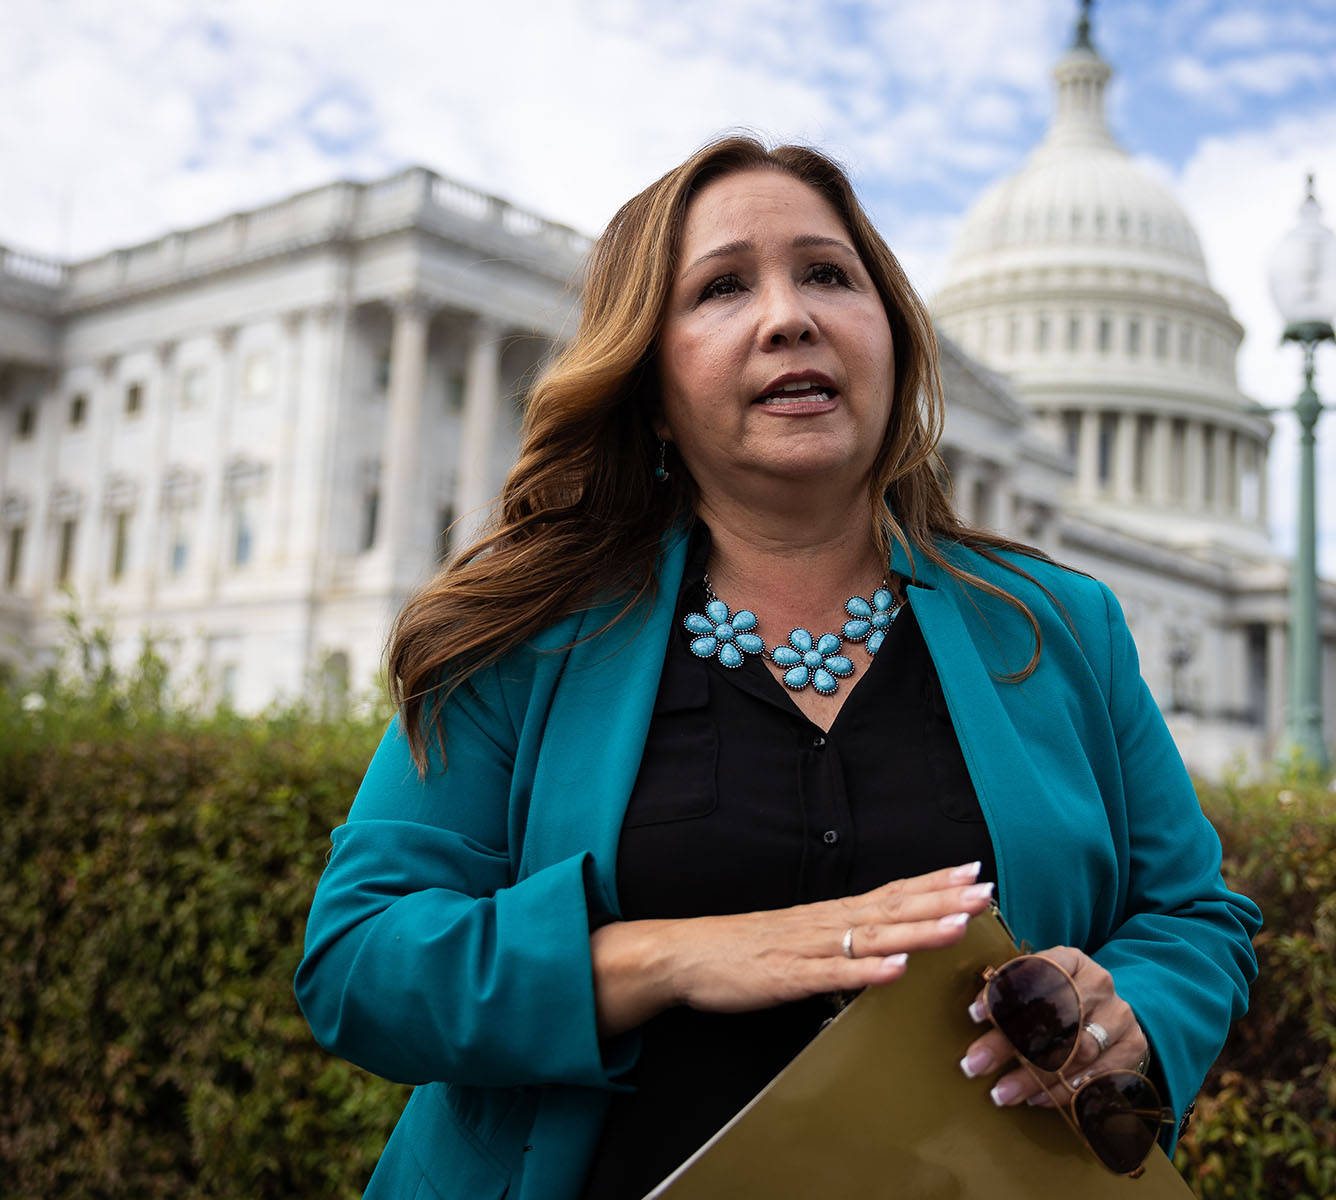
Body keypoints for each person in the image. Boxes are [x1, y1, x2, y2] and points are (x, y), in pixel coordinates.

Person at [294, 135, 1260, 1199]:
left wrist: (1130, 1013)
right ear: (652, 384)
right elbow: (360, 959)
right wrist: (666, 958)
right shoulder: (532, 630)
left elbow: (1194, 916)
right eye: (720, 288)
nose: (788, 315)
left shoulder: (1061, 627)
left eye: (828, 275)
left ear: (891, 341)